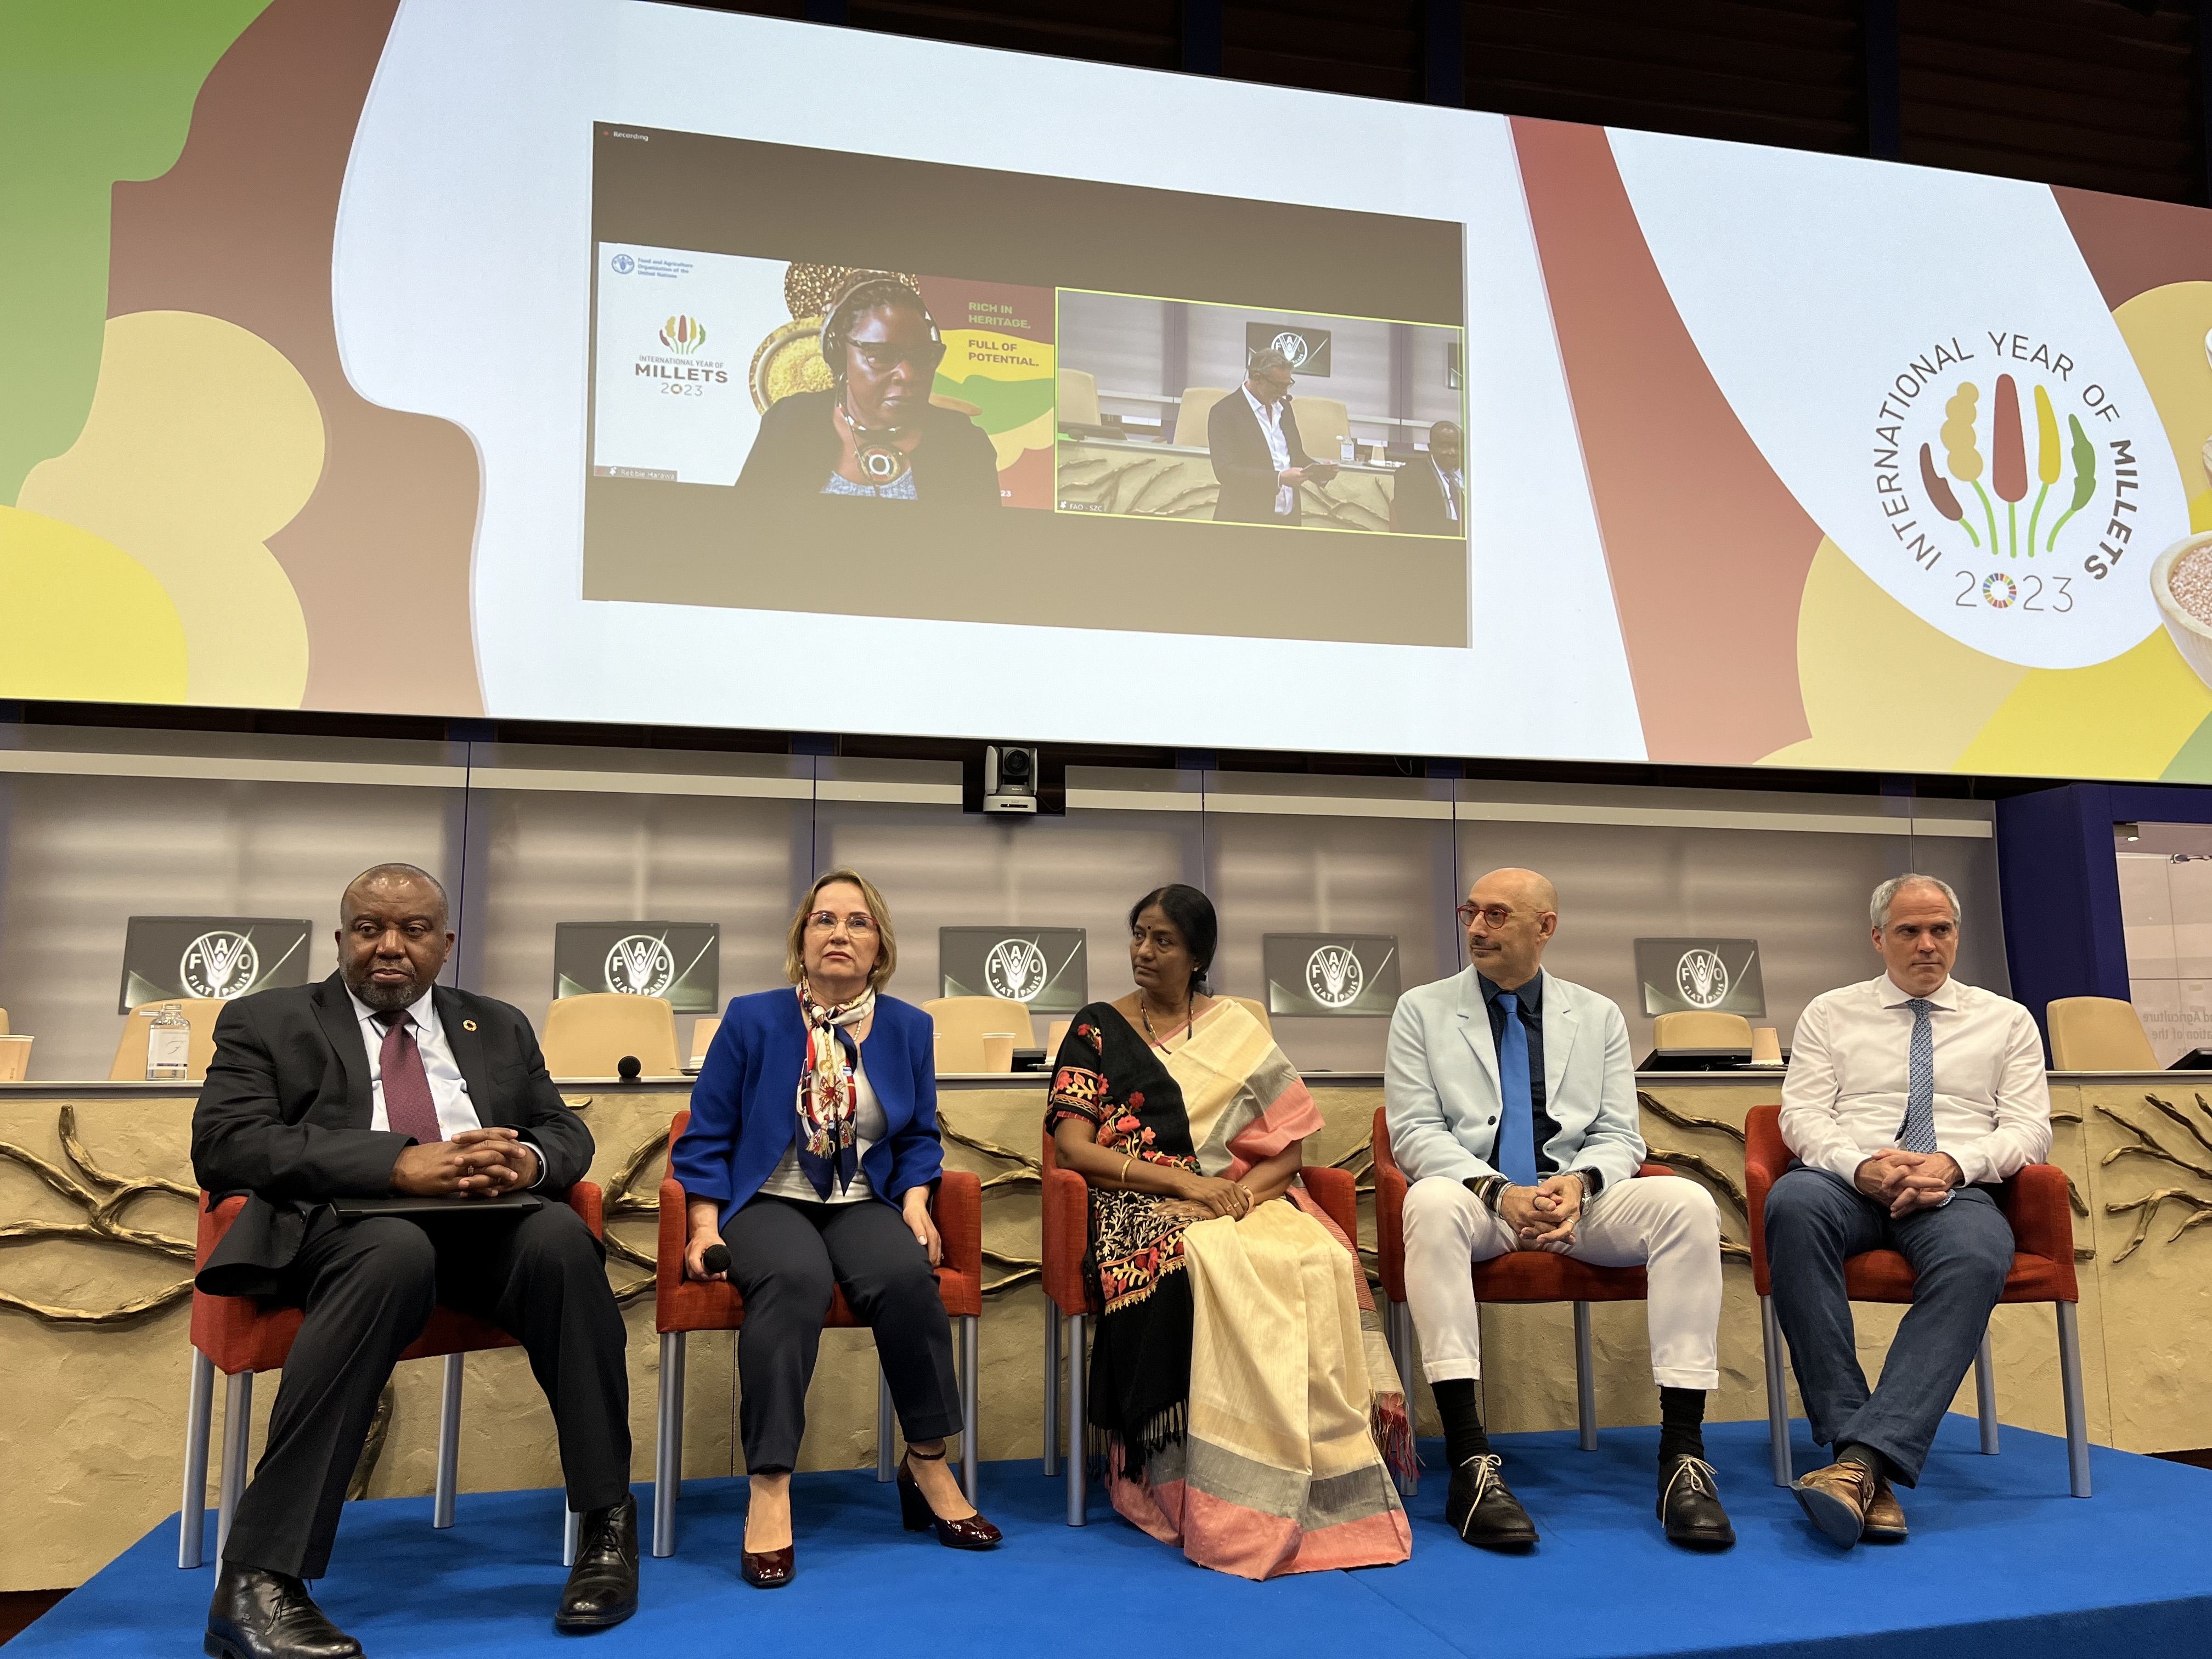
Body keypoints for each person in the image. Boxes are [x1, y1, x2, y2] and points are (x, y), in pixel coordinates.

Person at [191, 864, 636, 1659]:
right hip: (340, 1234)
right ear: (341, 939)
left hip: (483, 1232)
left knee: (562, 1241)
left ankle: (606, 1526)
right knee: (393, 1251)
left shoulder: (495, 1024)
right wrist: (396, 1165)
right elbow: (225, 1144)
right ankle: (257, 1582)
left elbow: (566, 1131)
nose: (389, 947)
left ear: (445, 943)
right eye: (369, 929)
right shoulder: (268, 1019)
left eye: (413, 930)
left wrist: (527, 1161)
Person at [1045, 884, 1411, 1579]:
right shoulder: (1095, 1026)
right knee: (1195, 1261)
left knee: (1315, 1260)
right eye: (1139, 935)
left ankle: (1306, 1481)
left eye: (1163, 941)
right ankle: (1186, 1483)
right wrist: (1186, 1186)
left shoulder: (1238, 1029)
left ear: (1197, 956)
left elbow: (1288, 1152)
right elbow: (1073, 1149)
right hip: (1133, 1197)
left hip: (1237, 1195)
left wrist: (1235, 1197)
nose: (1144, 952)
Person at [1386, 867, 1733, 1552]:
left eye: (1497, 916)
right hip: (1480, 1202)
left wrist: (1578, 1186)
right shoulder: (1421, 1009)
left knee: (1688, 1204)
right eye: (1471, 913)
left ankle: (1683, 1458)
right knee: (1427, 1201)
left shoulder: (1597, 1014)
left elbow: (1619, 1135)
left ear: (1544, 927)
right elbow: (1415, 1133)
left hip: (1574, 1203)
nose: (1478, 929)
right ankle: (1470, 1461)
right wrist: (1499, 1192)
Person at [674, 869, 999, 1588]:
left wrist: (916, 1201)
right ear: (802, 940)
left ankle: (928, 1463)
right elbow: (706, 1135)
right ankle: (769, 1484)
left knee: (907, 1281)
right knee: (794, 1281)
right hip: (765, 1199)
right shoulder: (753, 1019)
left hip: (862, 1198)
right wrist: (702, 1227)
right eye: (824, 920)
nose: (839, 934)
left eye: (857, 922)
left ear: (879, 946)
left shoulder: (910, 1027)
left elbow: (917, 1135)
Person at [1769, 873, 2051, 1548]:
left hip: (1956, 1187)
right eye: (1909, 931)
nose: (1928, 944)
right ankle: (1860, 1447)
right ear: (1878, 939)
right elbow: (1801, 1114)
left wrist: (1955, 1163)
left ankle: (1858, 1465)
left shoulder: (2006, 1019)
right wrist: (1859, 1167)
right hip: (1851, 1182)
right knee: (1791, 1203)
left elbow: (2029, 1129)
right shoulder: (1831, 1012)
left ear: (1956, 934)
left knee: (1980, 1252)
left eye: (1941, 930)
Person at [733, 272, 1001, 506]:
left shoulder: (965, 444)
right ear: (841, 356)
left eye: (922, 357)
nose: (908, 375)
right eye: (881, 355)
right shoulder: (790, 422)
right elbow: (744, 536)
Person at [1205, 347, 1337, 524]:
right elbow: (1226, 472)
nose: (1285, 393)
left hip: (1288, 520)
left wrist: (1318, 471)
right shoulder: (1225, 412)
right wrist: (1278, 478)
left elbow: (1295, 456)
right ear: (1258, 378)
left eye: (1288, 384)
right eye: (1280, 386)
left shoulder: (1284, 408)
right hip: (1244, 523)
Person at [1389, 420, 1465, 536]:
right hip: (1434, 545)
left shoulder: (1473, 474)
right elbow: (1414, 525)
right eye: (1445, 446)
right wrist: (1466, 531)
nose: (1453, 452)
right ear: (1431, 447)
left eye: (1457, 446)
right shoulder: (1410, 475)